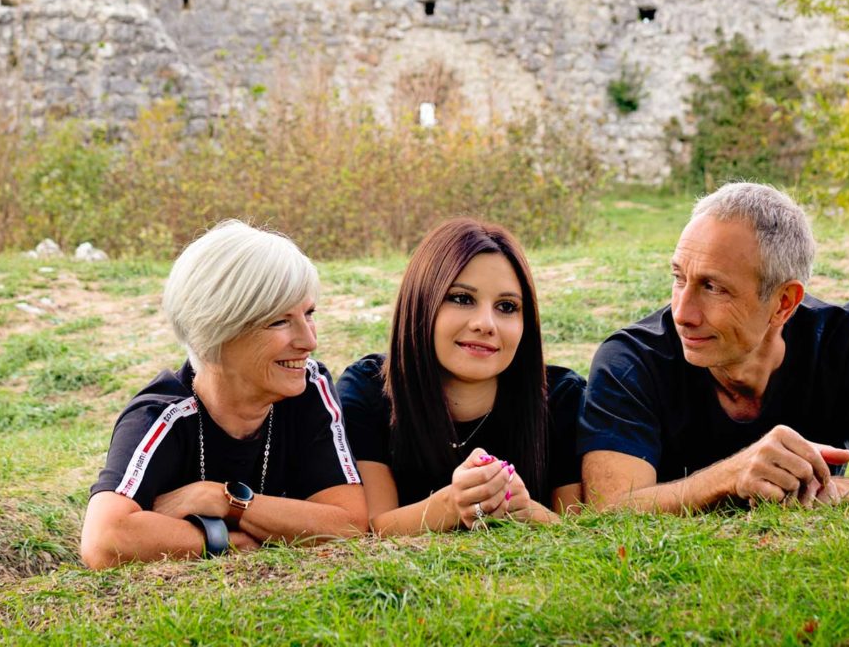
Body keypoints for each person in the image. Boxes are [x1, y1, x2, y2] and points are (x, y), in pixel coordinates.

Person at [580, 182, 849, 512]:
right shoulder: (631, 360)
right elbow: (609, 505)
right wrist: (732, 477)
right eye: (679, 278)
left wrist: (815, 488)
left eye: (713, 288)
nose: (683, 313)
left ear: (784, 303)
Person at [79, 220, 367, 568]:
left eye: (309, 314)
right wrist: (230, 543)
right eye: (279, 321)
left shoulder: (309, 388)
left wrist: (223, 499)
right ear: (216, 330)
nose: (309, 341)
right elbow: (105, 540)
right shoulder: (162, 415)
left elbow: (349, 523)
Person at [336, 217, 584, 533]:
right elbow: (370, 527)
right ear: (421, 302)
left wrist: (524, 509)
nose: (486, 324)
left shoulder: (562, 397)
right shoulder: (367, 391)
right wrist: (453, 504)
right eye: (462, 299)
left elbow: (579, 531)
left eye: (507, 306)